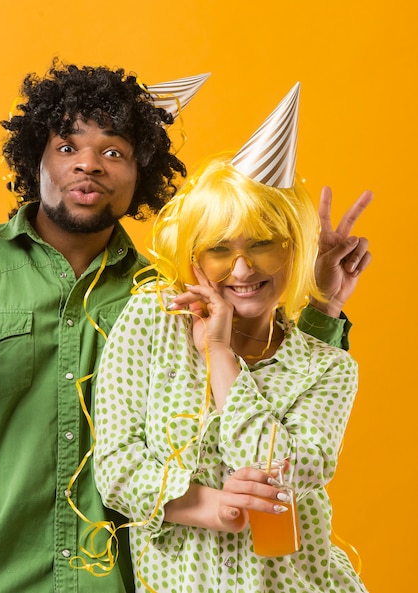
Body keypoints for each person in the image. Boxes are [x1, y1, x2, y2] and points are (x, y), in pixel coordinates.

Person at [0, 65, 369, 593]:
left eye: (113, 152)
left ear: (143, 173)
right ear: (32, 158)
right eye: (67, 147)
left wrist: (320, 303)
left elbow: (271, 410)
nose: (89, 165)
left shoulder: (170, 298)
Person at [93, 85, 370, 592]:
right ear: (194, 257)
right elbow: (116, 468)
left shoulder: (327, 367)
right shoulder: (153, 322)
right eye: (220, 249)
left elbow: (290, 471)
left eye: (263, 244)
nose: (243, 268)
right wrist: (215, 506)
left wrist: (219, 355)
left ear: (294, 249)